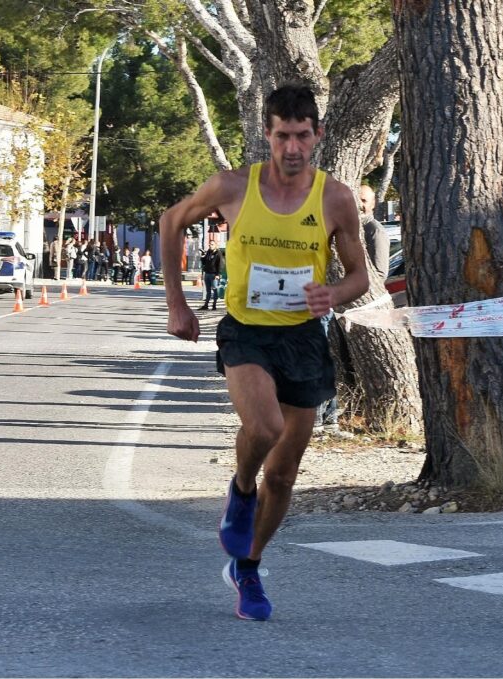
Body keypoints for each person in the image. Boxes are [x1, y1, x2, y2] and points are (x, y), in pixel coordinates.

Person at [159, 83, 369, 621]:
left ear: (317, 135)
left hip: (302, 338)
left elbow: (359, 277)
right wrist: (177, 305)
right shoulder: (232, 187)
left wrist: (334, 294)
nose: (292, 148)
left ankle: (247, 568)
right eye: (282, 136)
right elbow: (170, 222)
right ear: (267, 135)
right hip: (245, 331)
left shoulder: (335, 198)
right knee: (266, 428)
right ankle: (239, 488)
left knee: (285, 476)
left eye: (302, 136)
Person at [313, 184, 389, 433]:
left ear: (374, 202)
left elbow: (378, 273)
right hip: (332, 310)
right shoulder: (342, 226)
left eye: (364, 200)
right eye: (357, 199)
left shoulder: (373, 230)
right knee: (328, 360)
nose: (360, 205)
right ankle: (324, 415)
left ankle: (330, 416)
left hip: (358, 313)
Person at [199, 241, 223, 310]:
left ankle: (214, 305)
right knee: (208, 290)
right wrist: (202, 256)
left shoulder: (218, 253)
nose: (210, 246)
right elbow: (204, 262)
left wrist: (218, 274)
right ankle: (206, 305)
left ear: (215, 245)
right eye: (209, 244)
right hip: (207, 274)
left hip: (214, 274)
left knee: (215, 289)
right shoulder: (209, 252)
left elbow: (220, 265)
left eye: (212, 244)